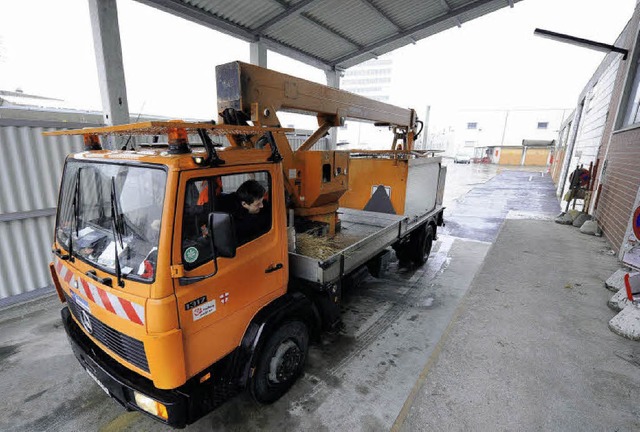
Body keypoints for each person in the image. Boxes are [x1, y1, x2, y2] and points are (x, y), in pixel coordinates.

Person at [231, 179, 271, 245]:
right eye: (258, 204)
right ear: (244, 204)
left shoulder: (266, 207)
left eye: (262, 201)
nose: (262, 206)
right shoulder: (236, 225)